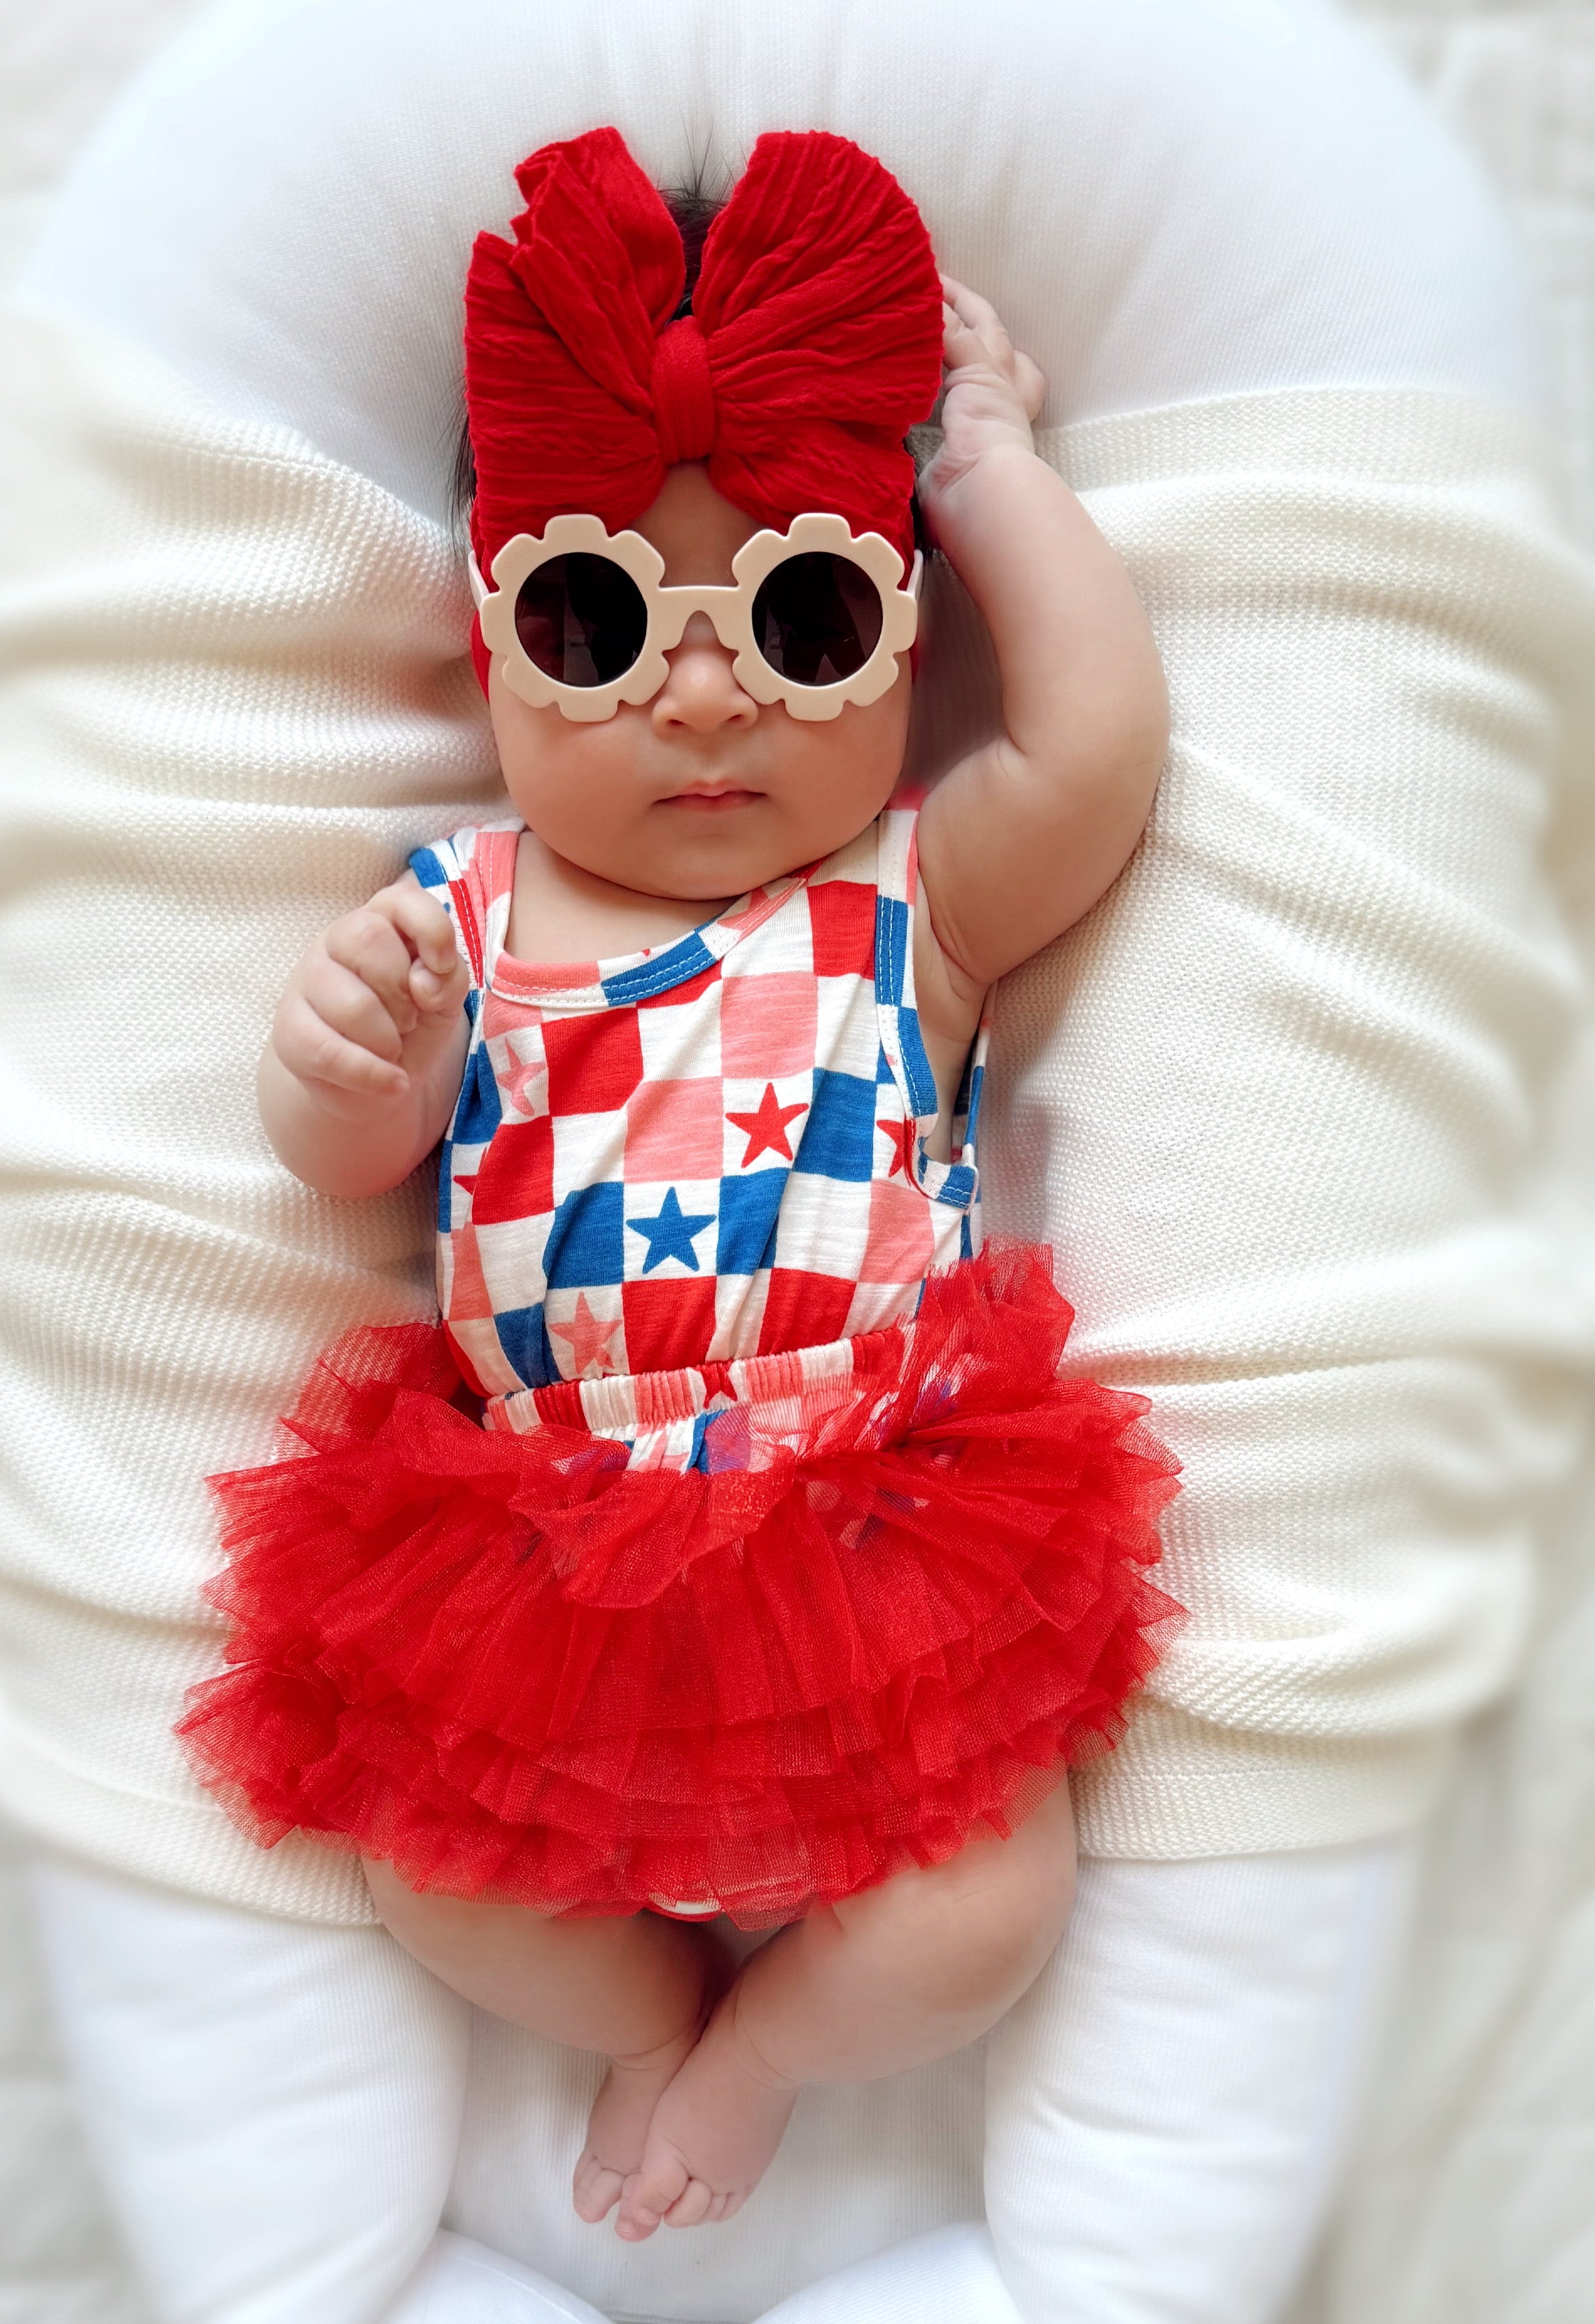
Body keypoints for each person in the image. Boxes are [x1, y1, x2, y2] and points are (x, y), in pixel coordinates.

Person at [178, 124, 1178, 2246]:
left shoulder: (908, 899)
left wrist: (991, 470)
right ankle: (640, 2016)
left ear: (904, 639)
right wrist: (346, 1070)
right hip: (539, 1577)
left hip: (875, 1549)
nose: (702, 688)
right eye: (599, 614)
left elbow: (1092, 754)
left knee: (983, 1911)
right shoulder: (462, 910)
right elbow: (349, 1167)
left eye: (803, 614)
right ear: (489, 641)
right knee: (425, 1866)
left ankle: (769, 2044)